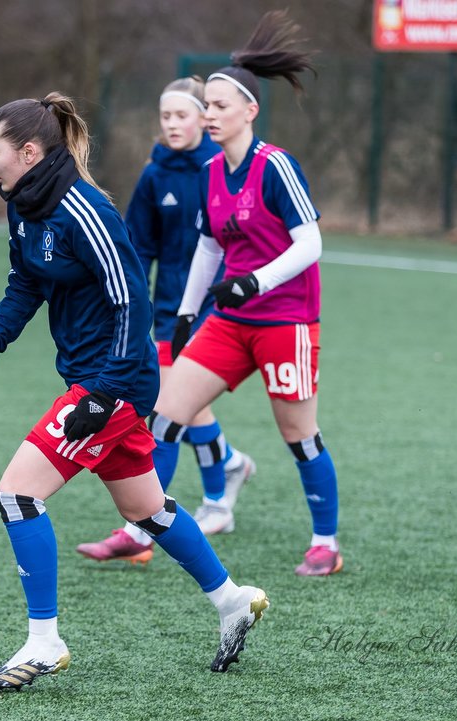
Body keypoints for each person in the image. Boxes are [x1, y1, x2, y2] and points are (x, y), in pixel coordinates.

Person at [0, 91, 269, 691]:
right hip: (92, 378)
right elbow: (26, 285)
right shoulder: (24, 204)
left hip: (113, 382)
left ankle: (44, 641)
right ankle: (232, 600)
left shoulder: (84, 208)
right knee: (145, 510)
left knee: (17, 494)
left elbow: (133, 302)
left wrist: (104, 393)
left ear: (28, 150)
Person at [147, 11, 343, 577]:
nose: (209, 114)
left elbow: (311, 244)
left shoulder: (276, 166)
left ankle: (325, 542)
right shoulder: (210, 172)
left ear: (250, 111)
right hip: (230, 321)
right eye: (205, 104)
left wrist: (255, 281)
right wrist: (186, 314)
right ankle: (146, 525)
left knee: (298, 435)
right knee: (163, 415)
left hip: (287, 321)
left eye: (219, 106)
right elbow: (207, 250)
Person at [75, 75, 257, 566]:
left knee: (167, 412)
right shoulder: (155, 175)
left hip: (218, 311)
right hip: (165, 313)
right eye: (166, 116)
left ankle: (145, 527)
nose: (173, 124)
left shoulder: (222, 169)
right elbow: (139, 249)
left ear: (205, 117)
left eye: (183, 115)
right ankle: (226, 477)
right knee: (180, 407)